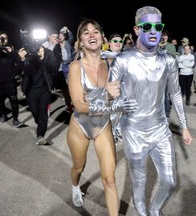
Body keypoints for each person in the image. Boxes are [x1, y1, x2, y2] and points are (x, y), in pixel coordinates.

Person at [106, 6, 193, 216]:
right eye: (147, 26)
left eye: (158, 26)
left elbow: (174, 94)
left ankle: (154, 209)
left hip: (161, 129)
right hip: (133, 130)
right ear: (137, 29)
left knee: (170, 182)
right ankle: (144, 212)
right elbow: (110, 98)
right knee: (139, 181)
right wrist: (112, 103)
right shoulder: (123, 60)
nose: (153, 31)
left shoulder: (168, 61)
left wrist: (184, 126)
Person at [66, 18, 137, 215]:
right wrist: (105, 96)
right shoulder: (75, 67)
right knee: (78, 167)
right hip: (80, 126)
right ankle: (74, 185)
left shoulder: (112, 62)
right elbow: (79, 105)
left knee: (110, 179)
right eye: (86, 32)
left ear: (102, 38)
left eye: (95, 31)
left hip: (103, 125)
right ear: (80, 41)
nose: (91, 35)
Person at [18, 43, 58, 145]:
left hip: (44, 88)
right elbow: (17, 71)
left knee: (43, 111)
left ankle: (40, 135)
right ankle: (40, 123)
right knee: (35, 112)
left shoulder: (48, 53)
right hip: (30, 89)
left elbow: (54, 68)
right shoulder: (25, 53)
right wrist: (22, 60)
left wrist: (44, 58)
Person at [0, 31, 24, 128]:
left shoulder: (11, 49)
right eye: (0, 38)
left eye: (5, 38)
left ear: (8, 39)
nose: (3, 40)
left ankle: (15, 119)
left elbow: (18, 62)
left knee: (13, 101)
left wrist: (11, 53)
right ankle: (4, 115)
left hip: (10, 80)